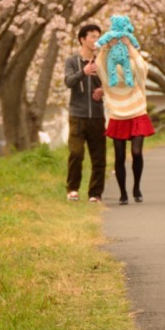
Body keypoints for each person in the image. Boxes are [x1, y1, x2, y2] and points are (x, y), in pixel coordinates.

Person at [94, 15, 154, 205]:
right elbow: (99, 67)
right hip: (117, 113)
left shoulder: (133, 60)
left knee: (136, 152)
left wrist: (130, 46)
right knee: (119, 156)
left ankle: (136, 187)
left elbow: (142, 69)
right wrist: (106, 47)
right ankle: (123, 193)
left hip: (137, 111)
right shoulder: (108, 63)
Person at [64, 23, 106, 203]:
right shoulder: (72, 61)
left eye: (98, 36)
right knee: (76, 152)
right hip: (77, 115)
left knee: (98, 156)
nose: (96, 39)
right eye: (92, 36)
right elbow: (68, 81)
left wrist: (104, 90)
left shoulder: (102, 60)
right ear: (82, 39)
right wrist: (83, 72)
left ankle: (95, 193)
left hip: (97, 115)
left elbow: (112, 82)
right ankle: (73, 189)